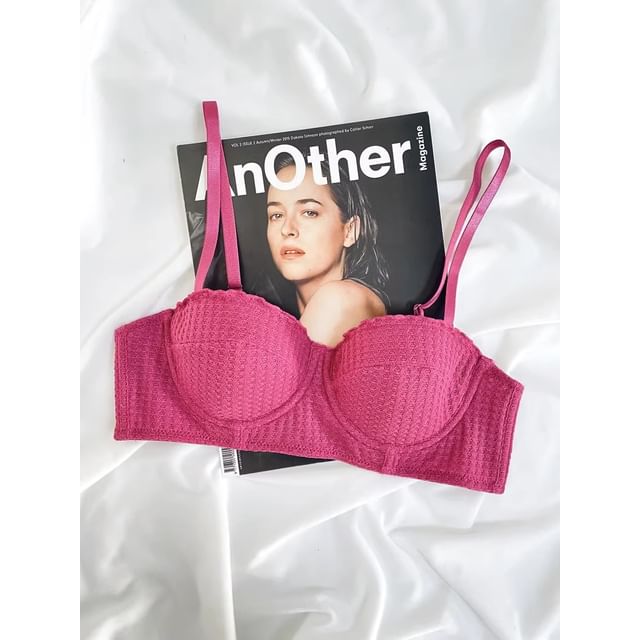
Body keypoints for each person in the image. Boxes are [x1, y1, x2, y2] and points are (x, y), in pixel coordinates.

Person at [265, 152, 390, 347]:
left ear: (350, 231)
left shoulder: (340, 298)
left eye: (309, 212)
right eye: (276, 215)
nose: (287, 229)